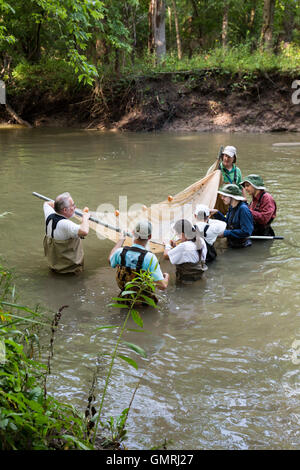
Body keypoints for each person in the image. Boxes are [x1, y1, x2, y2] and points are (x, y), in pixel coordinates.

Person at [109, 220, 169, 302]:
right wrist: (166, 277)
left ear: (133, 232)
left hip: (124, 300)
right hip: (145, 303)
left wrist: (121, 239)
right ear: (150, 237)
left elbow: (110, 260)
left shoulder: (120, 252)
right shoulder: (150, 258)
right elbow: (162, 286)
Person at [43, 192, 90, 274]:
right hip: (70, 271)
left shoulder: (48, 213)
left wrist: (59, 204)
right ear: (64, 210)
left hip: (54, 266)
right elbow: (84, 231)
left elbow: (46, 203)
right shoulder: (66, 224)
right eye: (73, 205)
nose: (75, 207)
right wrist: (85, 218)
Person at [163, 219, 208, 284]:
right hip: (199, 278)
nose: (178, 237)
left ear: (182, 234)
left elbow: (166, 256)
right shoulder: (201, 240)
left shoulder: (184, 246)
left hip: (186, 283)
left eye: (178, 234)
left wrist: (167, 245)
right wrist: (176, 247)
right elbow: (188, 255)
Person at [213, 184, 253, 248]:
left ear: (233, 197)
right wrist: (217, 213)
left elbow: (246, 232)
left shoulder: (243, 209)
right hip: (232, 242)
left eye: (225, 196)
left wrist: (225, 233)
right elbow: (228, 222)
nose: (222, 198)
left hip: (242, 246)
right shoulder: (231, 207)